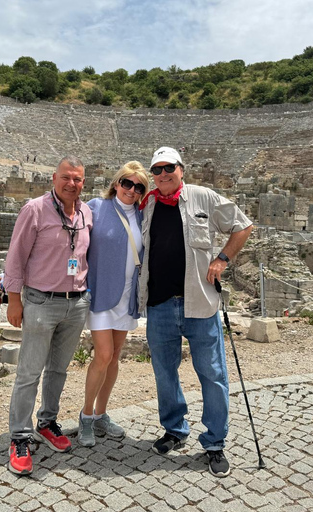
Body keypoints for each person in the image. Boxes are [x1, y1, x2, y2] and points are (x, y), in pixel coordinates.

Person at [140, 146, 253, 477]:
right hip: (160, 304)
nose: (163, 174)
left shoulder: (204, 197)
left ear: (181, 169)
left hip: (200, 302)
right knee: (165, 373)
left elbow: (242, 226)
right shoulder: (146, 204)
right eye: (157, 170)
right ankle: (175, 429)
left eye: (168, 168)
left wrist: (223, 259)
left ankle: (215, 443)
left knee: (213, 374)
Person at [3, 156, 92, 476]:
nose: (72, 184)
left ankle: (47, 422)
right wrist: (14, 300)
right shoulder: (35, 209)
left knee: (58, 370)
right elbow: (16, 257)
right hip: (41, 302)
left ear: (84, 182)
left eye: (78, 179)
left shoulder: (86, 212)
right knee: (29, 372)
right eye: (67, 178)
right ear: (54, 178)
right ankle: (19, 436)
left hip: (77, 303)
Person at [78, 161, 148, 448]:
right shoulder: (96, 206)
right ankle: (85, 415)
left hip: (127, 296)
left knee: (115, 356)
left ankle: (101, 414)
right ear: (116, 183)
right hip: (101, 293)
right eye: (127, 183)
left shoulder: (144, 216)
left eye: (139, 186)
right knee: (103, 355)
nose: (131, 190)